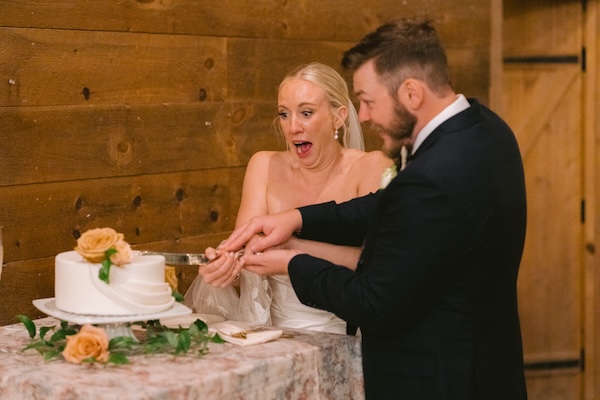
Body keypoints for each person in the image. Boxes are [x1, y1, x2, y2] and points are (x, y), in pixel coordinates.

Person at [207, 18, 528, 400]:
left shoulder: (433, 175)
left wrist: (292, 261)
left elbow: (373, 302)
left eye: (369, 101)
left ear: (411, 93)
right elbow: (387, 205)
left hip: (443, 381)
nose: (363, 116)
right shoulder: (488, 130)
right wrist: (298, 218)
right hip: (490, 369)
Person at [186, 62, 393, 334]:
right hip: (272, 337)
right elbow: (245, 255)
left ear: (338, 117)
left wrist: (292, 249)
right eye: (284, 114)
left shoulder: (371, 167)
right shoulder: (264, 165)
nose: (293, 126)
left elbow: (375, 264)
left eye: (306, 113)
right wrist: (227, 267)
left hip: (348, 334)